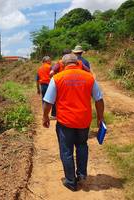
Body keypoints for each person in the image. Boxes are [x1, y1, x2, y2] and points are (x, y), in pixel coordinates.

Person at [42, 54, 105, 192]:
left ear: (63, 65)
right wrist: (100, 118)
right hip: (84, 121)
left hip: (65, 122)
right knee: (82, 145)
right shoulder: (89, 77)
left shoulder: (57, 78)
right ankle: (81, 175)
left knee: (66, 150)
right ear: (78, 63)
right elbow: (99, 99)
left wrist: (45, 117)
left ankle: (71, 181)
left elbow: (48, 102)